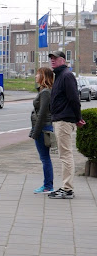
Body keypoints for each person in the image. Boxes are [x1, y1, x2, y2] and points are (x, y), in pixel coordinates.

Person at [48, 49, 82, 199]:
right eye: (51, 58)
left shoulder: (66, 76)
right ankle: (66, 187)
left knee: (66, 155)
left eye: (55, 58)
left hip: (64, 120)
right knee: (64, 154)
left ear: (63, 60)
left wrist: (78, 117)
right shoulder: (60, 76)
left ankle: (67, 189)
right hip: (60, 119)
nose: (52, 60)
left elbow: (74, 98)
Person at [29, 67, 54, 194]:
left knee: (45, 158)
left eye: (38, 74)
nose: (35, 76)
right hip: (43, 127)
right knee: (45, 158)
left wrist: (35, 132)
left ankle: (48, 186)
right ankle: (48, 185)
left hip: (43, 128)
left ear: (43, 76)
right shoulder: (44, 91)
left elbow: (42, 114)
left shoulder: (45, 92)